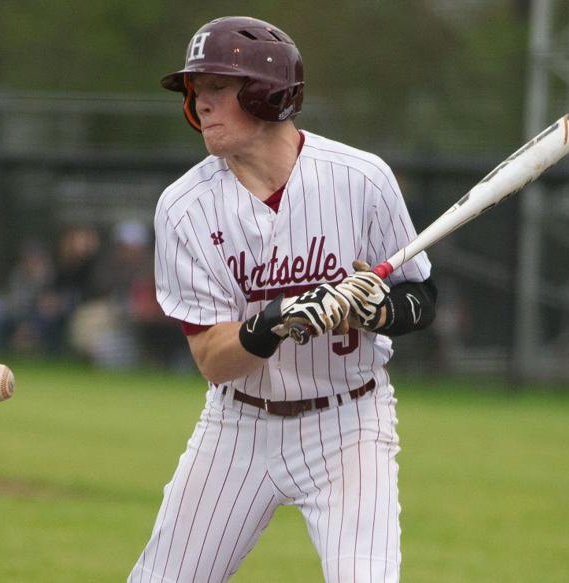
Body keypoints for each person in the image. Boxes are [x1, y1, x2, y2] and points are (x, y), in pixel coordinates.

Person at [129, 16, 436, 583]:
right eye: (196, 92)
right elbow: (212, 359)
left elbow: (420, 297)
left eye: (217, 87)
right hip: (239, 426)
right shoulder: (184, 207)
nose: (200, 104)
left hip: (349, 424)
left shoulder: (361, 179)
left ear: (268, 95)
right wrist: (275, 321)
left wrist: (378, 310)